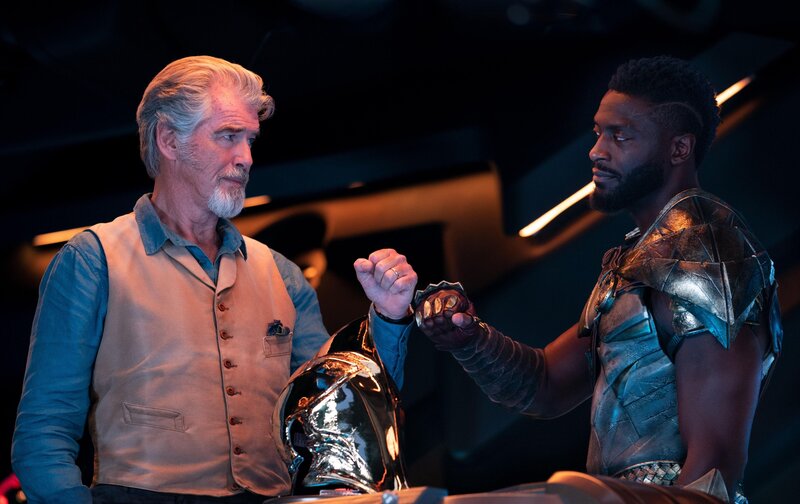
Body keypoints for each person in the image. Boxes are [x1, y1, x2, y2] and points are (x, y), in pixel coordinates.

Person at [11, 55, 418, 504]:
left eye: (250, 140)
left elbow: (339, 406)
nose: (246, 158)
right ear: (169, 139)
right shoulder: (93, 260)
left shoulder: (281, 273)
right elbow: (44, 431)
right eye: (228, 136)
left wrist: (388, 317)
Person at [414, 55, 782, 503]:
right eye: (598, 133)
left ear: (679, 149)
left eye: (620, 136)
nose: (596, 151)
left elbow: (714, 470)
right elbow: (546, 386)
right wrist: (468, 338)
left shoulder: (707, 253)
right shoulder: (639, 259)